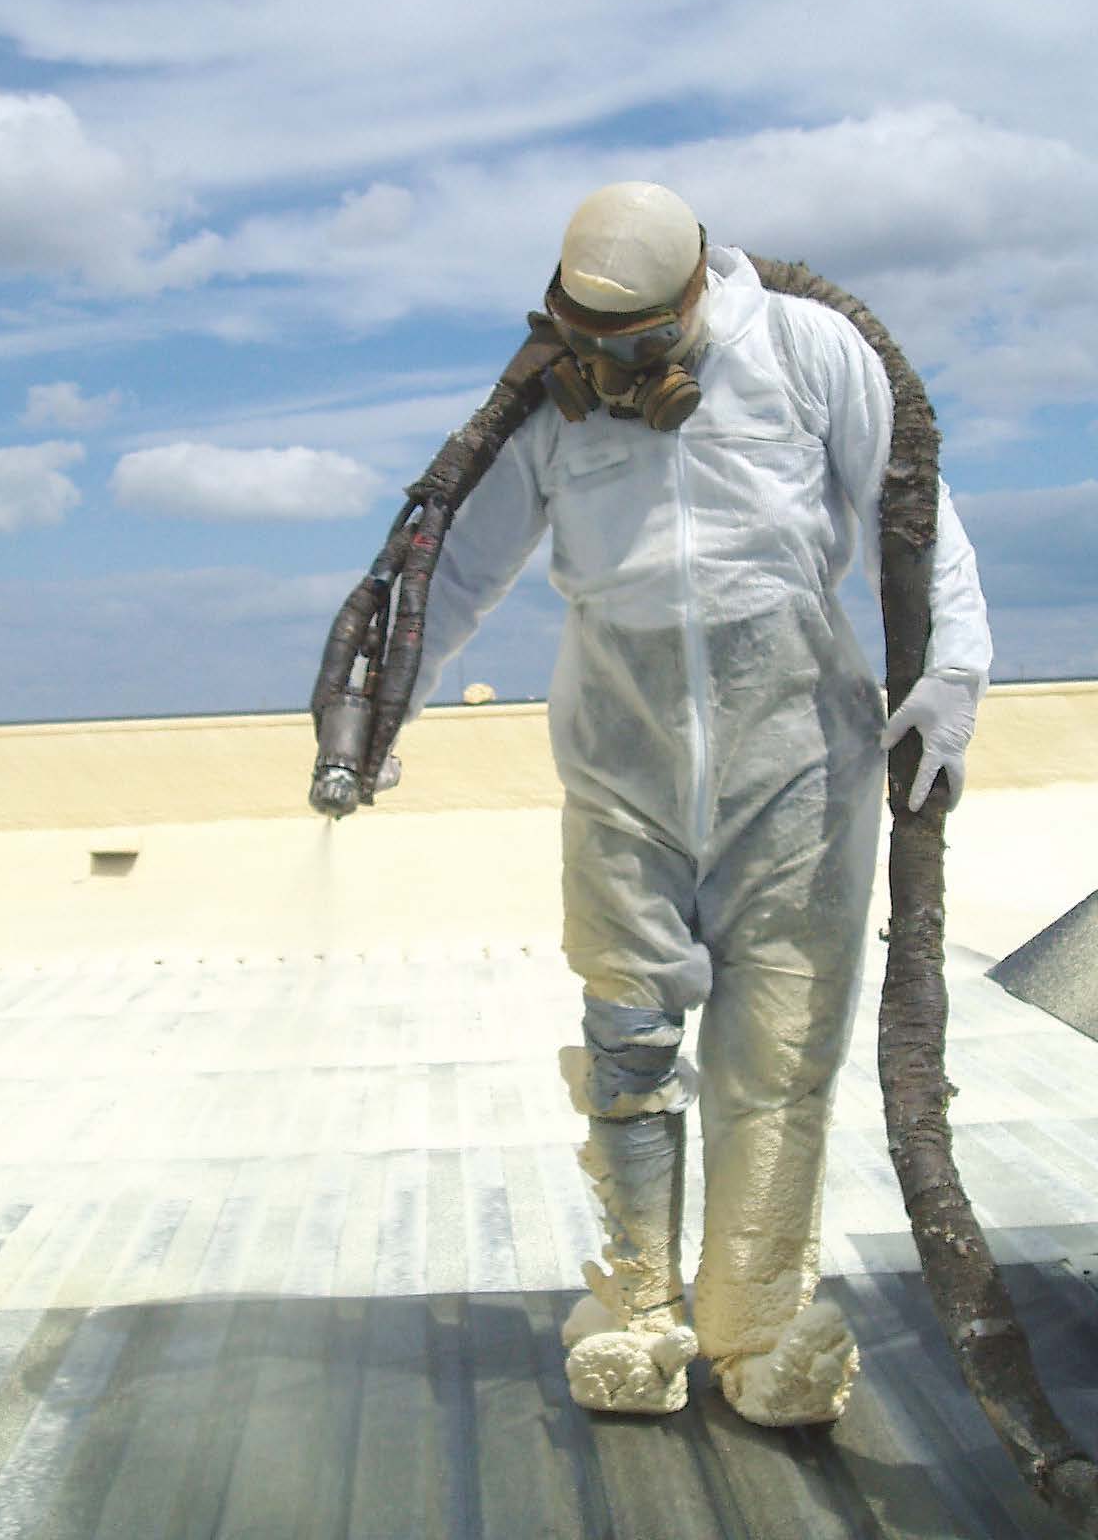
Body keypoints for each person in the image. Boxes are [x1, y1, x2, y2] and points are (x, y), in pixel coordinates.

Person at [404, 181, 991, 1424]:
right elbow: (462, 558)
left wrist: (950, 667)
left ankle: (758, 1318)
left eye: (636, 339)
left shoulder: (803, 350)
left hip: (796, 756)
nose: (613, 363)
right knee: (625, 1045)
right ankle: (638, 1308)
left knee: (777, 1048)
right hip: (620, 764)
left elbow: (911, 503)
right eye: (588, 336)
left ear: (691, 299)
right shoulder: (550, 392)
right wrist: (388, 696)